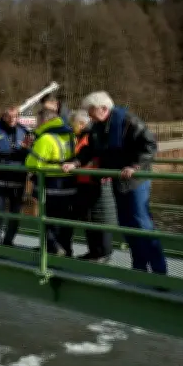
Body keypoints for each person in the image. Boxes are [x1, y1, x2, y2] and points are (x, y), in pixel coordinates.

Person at [62, 91, 166, 274]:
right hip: (118, 180)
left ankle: (159, 271)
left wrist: (135, 166)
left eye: (90, 110)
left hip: (135, 182)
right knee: (127, 225)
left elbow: (149, 145)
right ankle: (139, 268)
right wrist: (75, 162)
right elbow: (90, 149)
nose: (88, 114)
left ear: (103, 109)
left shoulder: (129, 122)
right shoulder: (98, 126)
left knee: (142, 225)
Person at [25, 108, 77, 257]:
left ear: (44, 120)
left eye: (37, 120)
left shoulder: (45, 138)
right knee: (65, 220)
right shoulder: (70, 134)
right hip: (70, 185)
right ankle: (67, 249)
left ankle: (53, 249)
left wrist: (28, 150)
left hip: (51, 186)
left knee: (48, 219)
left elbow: (32, 164)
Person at [69, 110, 114, 262]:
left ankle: (104, 252)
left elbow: (97, 156)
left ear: (82, 123)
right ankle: (93, 251)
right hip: (84, 182)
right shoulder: (82, 136)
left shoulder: (92, 135)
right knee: (89, 218)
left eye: (73, 123)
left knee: (101, 218)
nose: (72, 126)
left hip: (96, 182)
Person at [0, 106, 31, 246]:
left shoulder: (24, 131)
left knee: (15, 211)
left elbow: (28, 154)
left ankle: (9, 240)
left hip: (17, 177)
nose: (12, 119)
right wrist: (17, 152)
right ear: (3, 116)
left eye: (15, 116)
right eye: (9, 116)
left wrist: (22, 150)